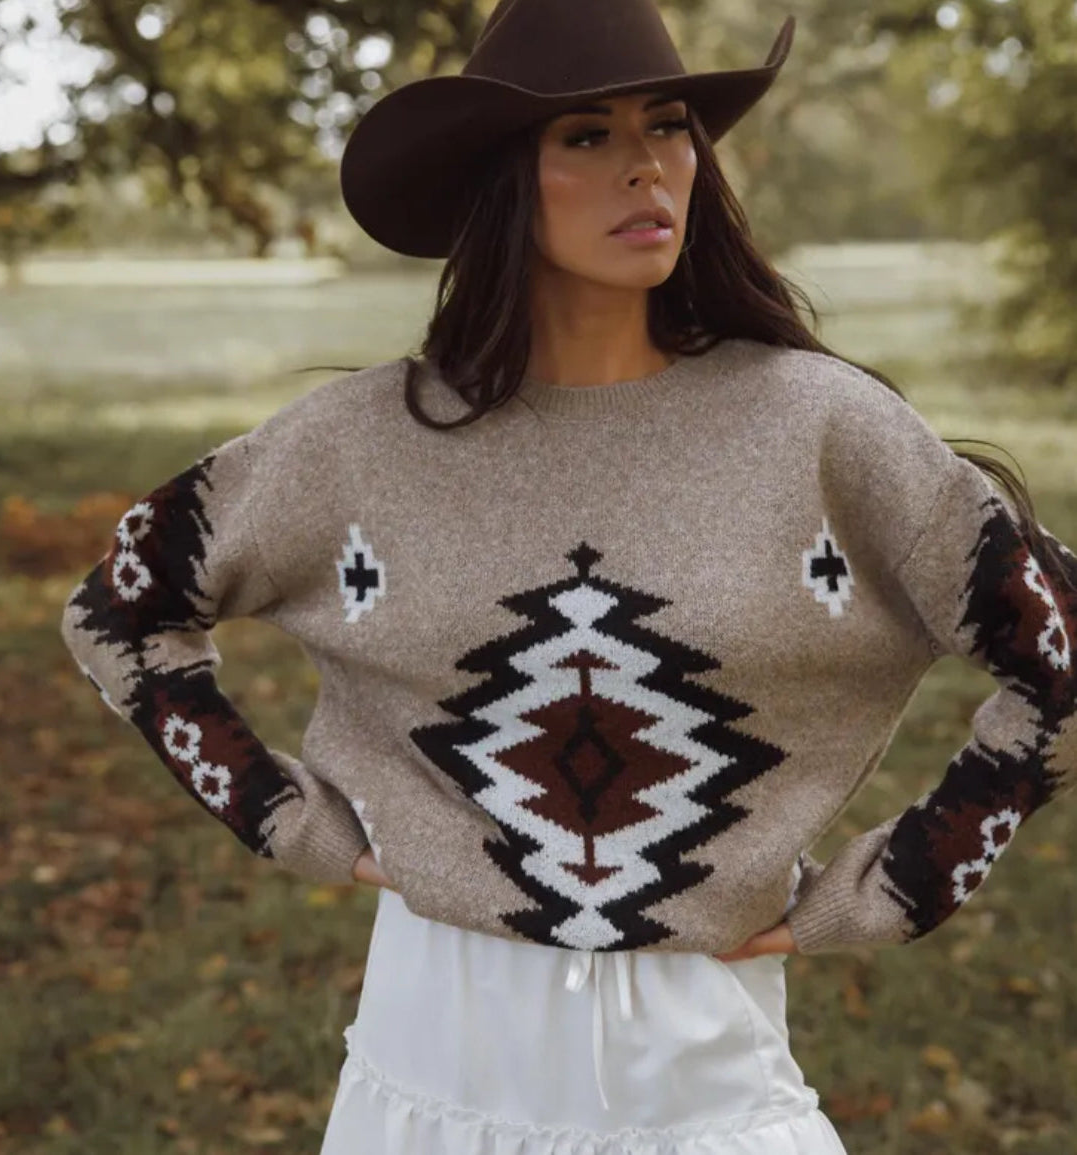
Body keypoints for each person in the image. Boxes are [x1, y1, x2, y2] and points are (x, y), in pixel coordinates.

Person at [60, 0, 1077, 1152]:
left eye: (670, 127)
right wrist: (290, 822)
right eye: (586, 137)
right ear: (504, 179)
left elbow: (1064, 654)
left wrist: (897, 886)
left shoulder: (822, 430)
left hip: (702, 1080)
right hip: (425, 1059)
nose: (646, 168)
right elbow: (119, 613)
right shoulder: (360, 445)